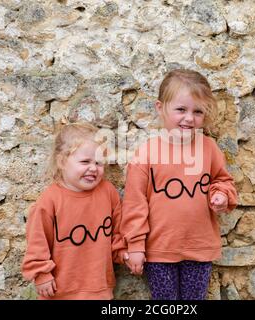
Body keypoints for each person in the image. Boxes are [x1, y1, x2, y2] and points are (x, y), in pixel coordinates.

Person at [121, 69, 238, 300]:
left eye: (198, 111)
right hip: (159, 250)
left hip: (199, 247)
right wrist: (135, 245)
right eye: (181, 110)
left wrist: (222, 195)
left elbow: (223, 180)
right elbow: (134, 203)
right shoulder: (147, 154)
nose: (189, 118)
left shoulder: (209, 148)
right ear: (160, 108)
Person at [21, 123, 126, 300]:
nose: (93, 168)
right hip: (60, 291)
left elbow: (118, 230)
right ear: (62, 161)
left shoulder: (108, 193)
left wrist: (123, 251)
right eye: (85, 162)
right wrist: (41, 273)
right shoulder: (49, 200)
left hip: (98, 288)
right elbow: (37, 242)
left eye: (99, 163)